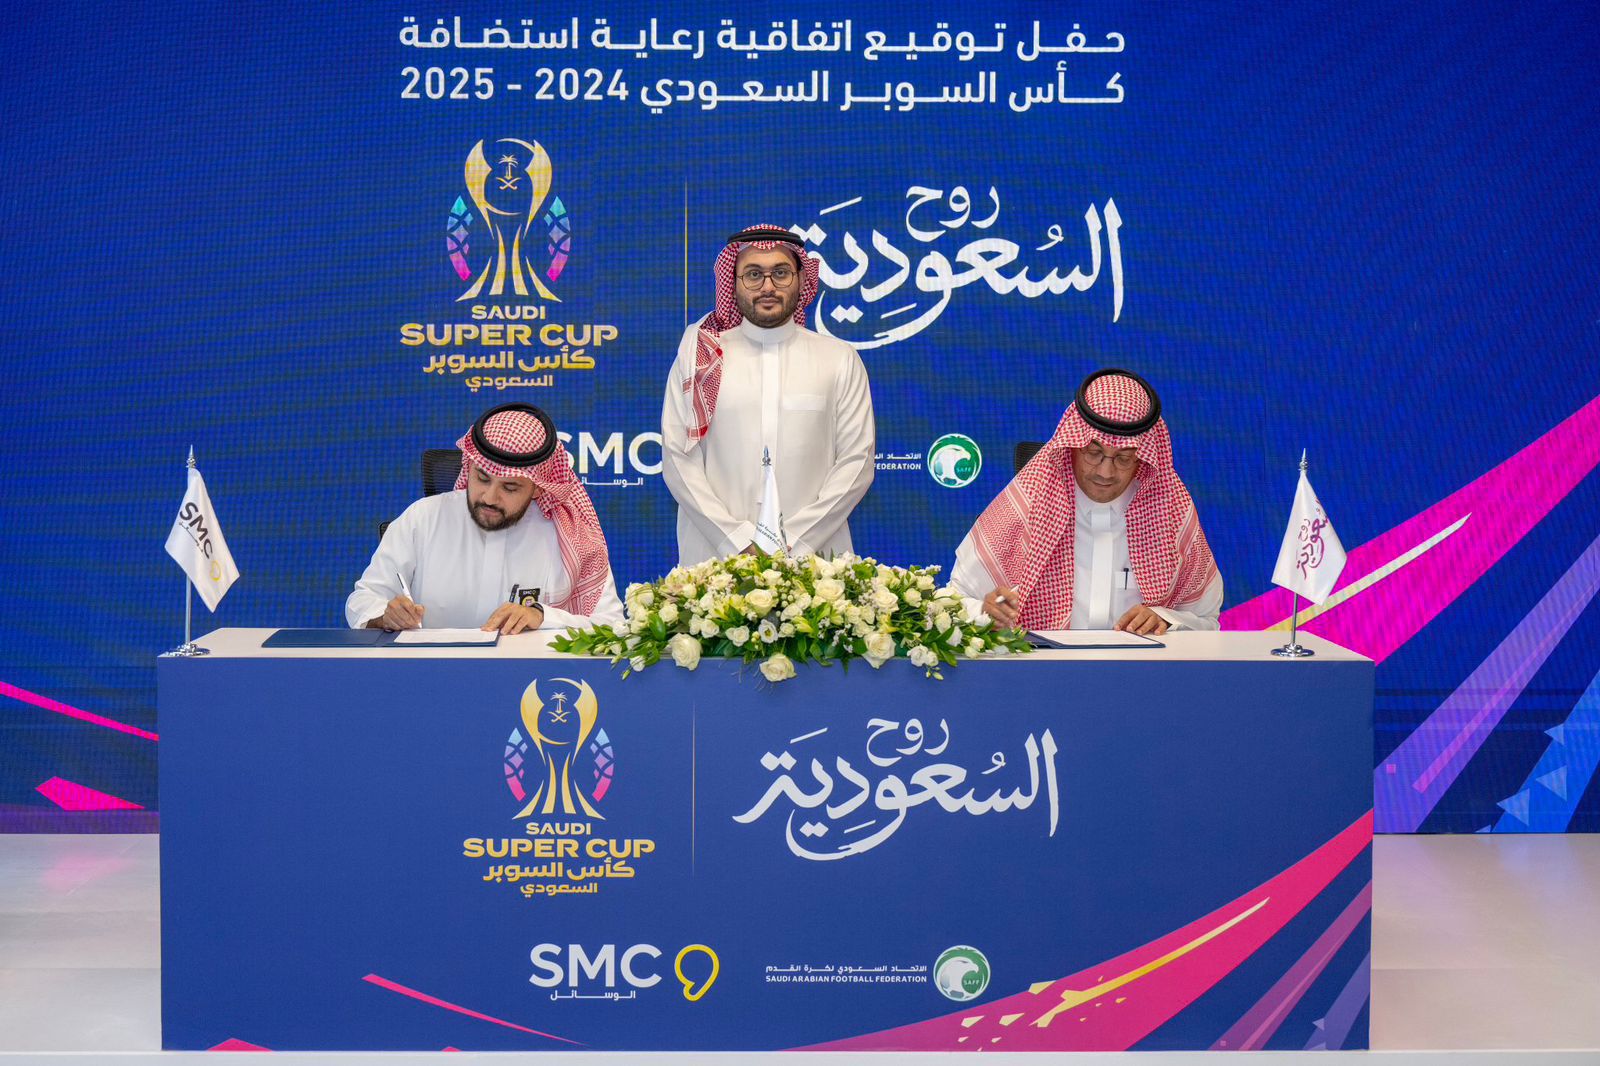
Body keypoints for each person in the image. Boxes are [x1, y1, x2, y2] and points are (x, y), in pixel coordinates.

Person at [661, 224, 875, 564]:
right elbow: (678, 458)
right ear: (733, 282)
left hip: (816, 562)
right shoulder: (700, 359)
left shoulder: (838, 358)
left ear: (801, 279)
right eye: (753, 274)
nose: (768, 286)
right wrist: (735, 539)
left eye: (780, 273)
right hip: (715, 560)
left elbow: (856, 462)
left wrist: (792, 542)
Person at [950, 369, 1222, 635]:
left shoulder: (1169, 511)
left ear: (1142, 459)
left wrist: (1165, 619)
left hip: (1140, 665)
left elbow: (1207, 619)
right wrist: (985, 612)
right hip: (1043, 664)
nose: (1105, 471)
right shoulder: (1028, 504)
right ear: (1073, 446)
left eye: (1124, 458)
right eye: (1093, 453)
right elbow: (952, 602)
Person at [345, 403, 624, 633]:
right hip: (431, 675)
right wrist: (385, 616)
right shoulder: (423, 518)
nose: (490, 497)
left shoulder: (569, 536)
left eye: (510, 488)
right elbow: (363, 600)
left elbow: (612, 626)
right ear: (469, 466)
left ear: (538, 488)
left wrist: (543, 617)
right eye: (482, 478)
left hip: (529, 680)